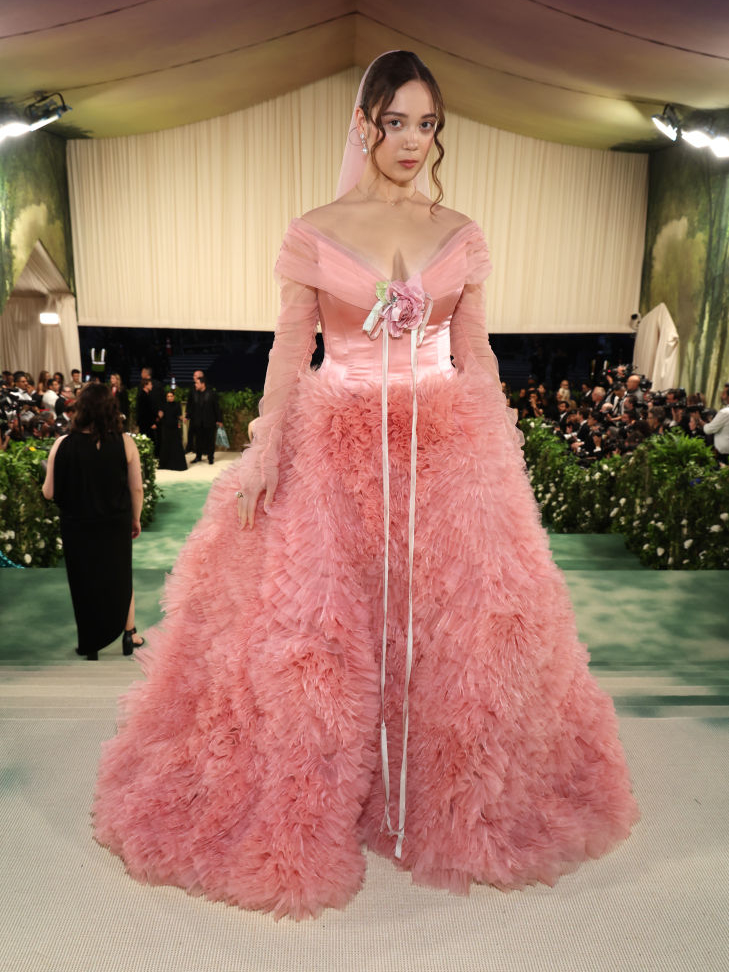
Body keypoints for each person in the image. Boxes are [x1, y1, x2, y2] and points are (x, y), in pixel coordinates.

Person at [94, 51, 637, 919]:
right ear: (364, 125)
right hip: (335, 440)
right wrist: (266, 449)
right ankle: (322, 803)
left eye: (427, 124)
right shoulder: (314, 227)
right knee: (321, 633)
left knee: (452, 630)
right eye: (396, 123)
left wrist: (500, 447)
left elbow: (477, 352)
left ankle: (437, 800)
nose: (412, 141)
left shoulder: (460, 228)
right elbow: (287, 348)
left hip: (444, 448)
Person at [42, 382, 145, 660]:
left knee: (84, 582)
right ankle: (129, 634)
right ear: (112, 408)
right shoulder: (125, 442)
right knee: (120, 576)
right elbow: (136, 488)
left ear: (80, 409)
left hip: (77, 525)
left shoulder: (62, 444)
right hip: (115, 522)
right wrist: (135, 519)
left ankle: (91, 643)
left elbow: (49, 492)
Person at [187, 371, 222, 464]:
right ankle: (198, 456)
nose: (195, 385)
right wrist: (187, 416)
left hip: (209, 421)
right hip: (198, 421)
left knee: (210, 440)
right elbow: (191, 406)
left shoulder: (211, 393)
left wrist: (219, 420)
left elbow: (217, 407)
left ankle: (211, 457)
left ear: (203, 384)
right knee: (198, 440)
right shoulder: (195, 393)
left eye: (197, 383)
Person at [157, 389, 187, 471]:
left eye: (171, 396)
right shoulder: (163, 405)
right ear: (166, 397)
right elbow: (161, 416)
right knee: (166, 445)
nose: (170, 398)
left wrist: (183, 419)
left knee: (176, 445)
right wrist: (160, 416)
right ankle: (165, 465)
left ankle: (177, 465)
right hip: (166, 428)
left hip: (174, 428)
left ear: (173, 397)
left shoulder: (177, 405)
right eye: (168, 396)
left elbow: (179, 415)